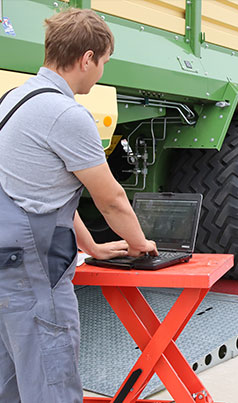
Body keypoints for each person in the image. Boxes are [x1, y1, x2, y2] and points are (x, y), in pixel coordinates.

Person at [0, 8, 157, 402]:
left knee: (11, 382)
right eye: (103, 62)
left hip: (8, 268)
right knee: (52, 384)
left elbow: (45, 194)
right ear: (87, 58)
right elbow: (112, 200)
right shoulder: (68, 115)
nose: (102, 71)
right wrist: (140, 246)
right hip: (37, 276)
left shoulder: (12, 100)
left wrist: (93, 248)